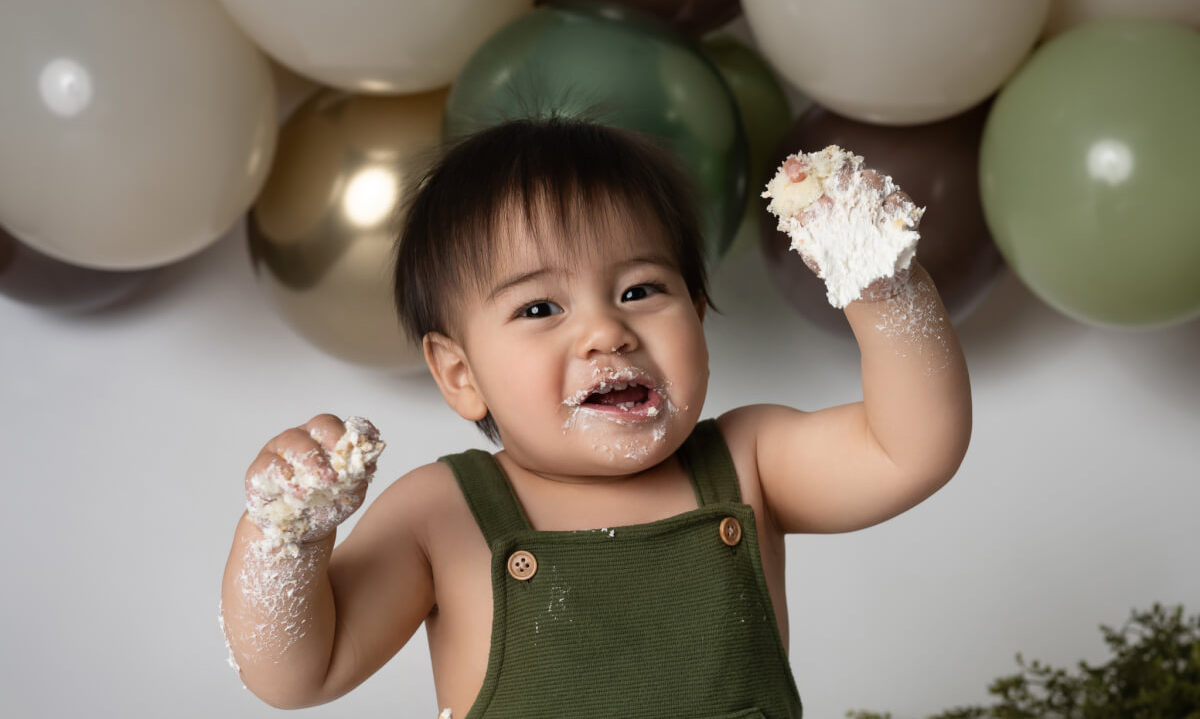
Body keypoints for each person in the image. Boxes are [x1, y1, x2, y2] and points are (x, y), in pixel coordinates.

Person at [220, 117, 972, 718]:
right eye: (540, 307)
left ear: (699, 311)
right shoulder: (441, 514)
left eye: (641, 289)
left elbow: (912, 448)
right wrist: (285, 534)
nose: (607, 332)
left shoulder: (749, 462)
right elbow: (299, 674)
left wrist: (882, 285)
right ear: (460, 373)